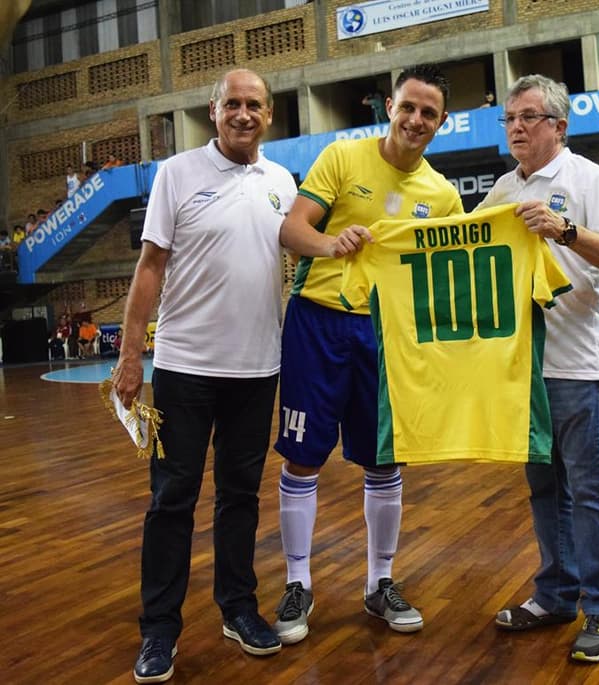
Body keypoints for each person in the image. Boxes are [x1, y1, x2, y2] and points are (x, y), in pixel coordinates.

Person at [112, 67, 297, 684]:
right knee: (172, 500)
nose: (244, 114)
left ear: (268, 114)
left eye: (255, 105)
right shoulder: (177, 173)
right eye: (232, 104)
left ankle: (238, 609)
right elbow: (149, 267)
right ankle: (159, 630)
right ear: (213, 111)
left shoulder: (282, 181)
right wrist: (130, 355)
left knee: (240, 497)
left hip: (258, 369)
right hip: (185, 369)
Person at [273, 63, 464, 646]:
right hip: (317, 322)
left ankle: (380, 582)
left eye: (429, 113)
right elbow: (291, 230)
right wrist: (332, 244)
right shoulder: (342, 158)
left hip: (386, 335)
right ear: (389, 106)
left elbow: (449, 276)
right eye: (408, 107)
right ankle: (298, 583)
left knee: (385, 460)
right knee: (303, 458)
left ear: (441, 122)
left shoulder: (443, 196)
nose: (416, 119)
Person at [476, 74, 599, 663]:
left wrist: (564, 229)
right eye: (510, 118)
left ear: (558, 126)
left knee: (589, 490)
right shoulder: (501, 188)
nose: (516, 127)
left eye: (528, 117)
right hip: (524, 368)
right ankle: (557, 595)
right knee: (545, 488)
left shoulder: (591, 178)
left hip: (576, 364)